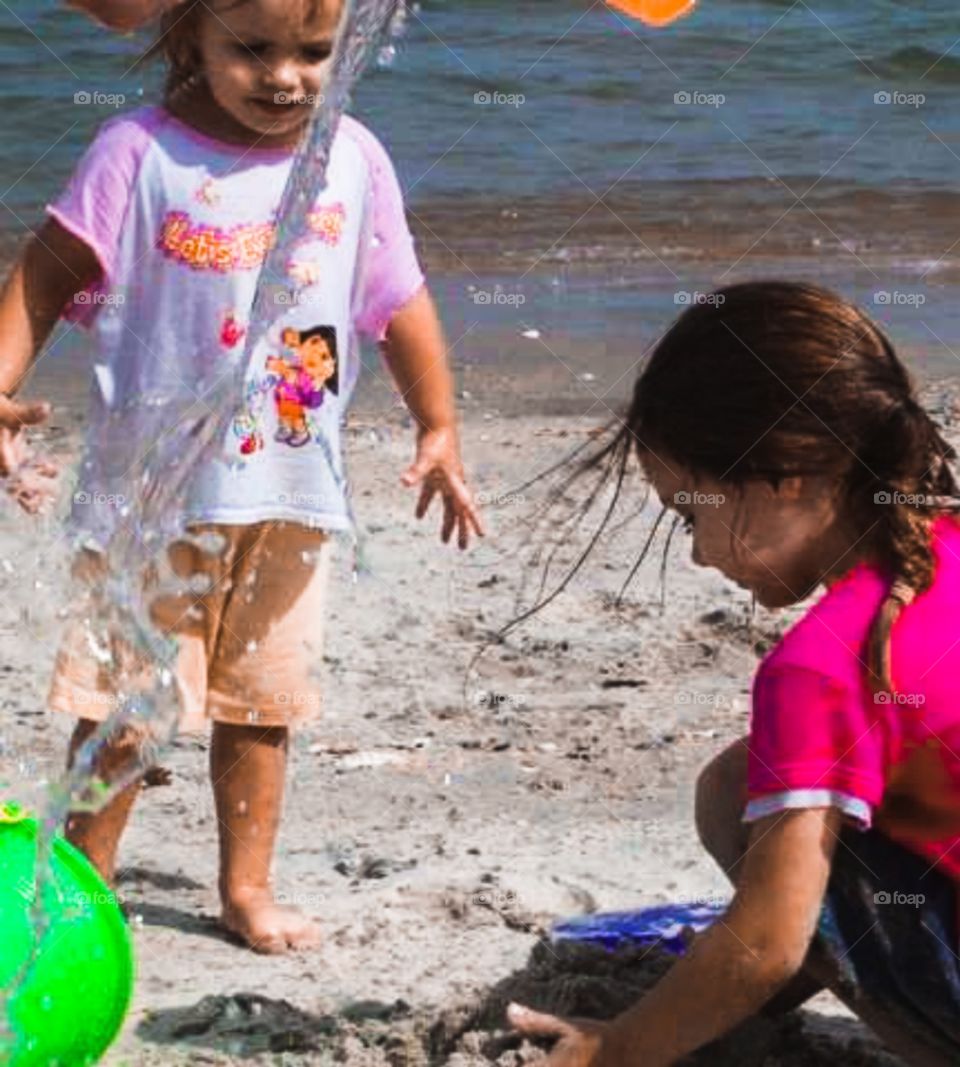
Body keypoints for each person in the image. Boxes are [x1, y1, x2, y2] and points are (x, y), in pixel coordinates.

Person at [0, 0, 482, 954]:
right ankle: (83, 898)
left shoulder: (353, 158)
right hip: (150, 502)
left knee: (264, 712)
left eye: (314, 51)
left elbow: (398, 299)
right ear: (191, 37)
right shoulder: (139, 152)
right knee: (125, 717)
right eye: (252, 49)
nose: (286, 77)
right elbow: (43, 278)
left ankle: (245, 887)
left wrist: (439, 424)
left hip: (289, 501)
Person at [509, 282, 960, 1066]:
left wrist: (616, 1048)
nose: (695, 553)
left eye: (692, 515)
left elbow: (768, 941)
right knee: (753, 780)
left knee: (732, 801)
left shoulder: (819, 664)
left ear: (782, 473)